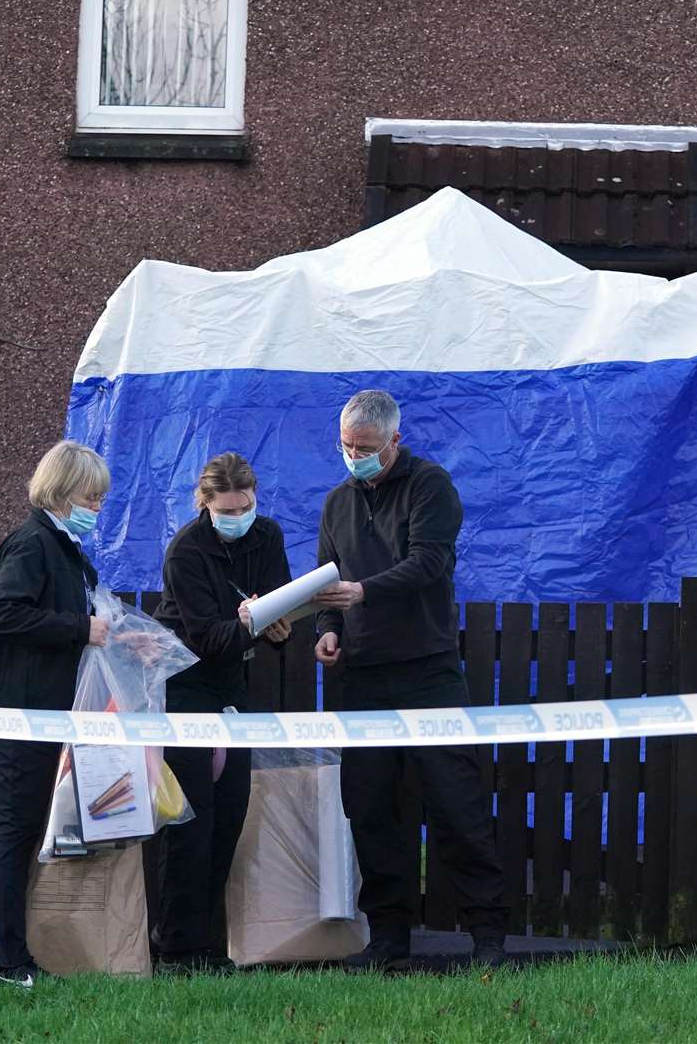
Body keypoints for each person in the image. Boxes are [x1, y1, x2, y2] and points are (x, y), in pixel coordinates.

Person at [311, 389, 507, 970]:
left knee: (457, 804)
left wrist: (364, 591)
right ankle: (388, 940)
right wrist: (327, 628)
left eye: (366, 448)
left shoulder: (431, 486)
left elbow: (430, 563)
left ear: (396, 441)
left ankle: (489, 936)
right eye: (346, 446)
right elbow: (328, 579)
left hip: (428, 670)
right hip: (360, 676)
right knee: (370, 810)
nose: (354, 456)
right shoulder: (335, 504)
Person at [0, 440, 112, 989]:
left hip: (38, 713)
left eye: (100, 499)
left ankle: (15, 958)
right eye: (90, 496)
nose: (97, 507)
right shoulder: (32, 544)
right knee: (13, 836)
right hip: (13, 715)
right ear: (60, 490)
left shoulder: (62, 545)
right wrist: (79, 629)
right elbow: (1, 614)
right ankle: (8, 964)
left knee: (21, 835)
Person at [151, 452, 292, 972]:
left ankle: (207, 942)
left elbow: (282, 603)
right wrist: (255, 623)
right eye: (228, 509)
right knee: (189, 820)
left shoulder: (268, 536)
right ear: (205, 504)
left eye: (247, 506)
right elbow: (208, 637)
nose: (240, 517)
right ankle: (175, 948)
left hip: (233, 688)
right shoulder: (185, 551)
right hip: (185, 687)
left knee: (229, 812)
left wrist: (279, 628)